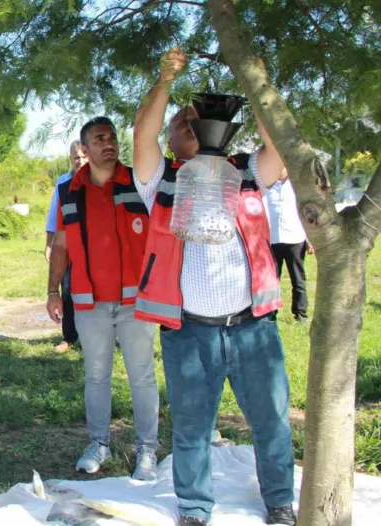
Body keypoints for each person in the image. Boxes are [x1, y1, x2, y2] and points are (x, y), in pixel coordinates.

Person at [132, 48, 294, 526]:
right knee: (192, 428)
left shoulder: (244, 173)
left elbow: (279, 149)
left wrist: (259, 86)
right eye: (182, 120)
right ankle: (195, 508)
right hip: (190, 334)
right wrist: (165, 80)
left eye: (200, 119)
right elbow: (143, 133)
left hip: (252, 331)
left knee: (272, 422)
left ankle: (280, 501)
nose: (191, 125)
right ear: (172, 135)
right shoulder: (160, 182)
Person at [46, 118, 159, 480]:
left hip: (135, 302)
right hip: (89, 302)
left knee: (141, 376)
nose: (108, 144)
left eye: (111, 138)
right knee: (96, 375)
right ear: (85, 149)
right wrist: (52, 291)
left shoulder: (139, 183)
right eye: (99, 139)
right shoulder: (69, 191)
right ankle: (98, 443)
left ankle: (147, 450)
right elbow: (61, 245)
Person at [45, 141, 88, 352]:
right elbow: (54, 215)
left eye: (83, 156)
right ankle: (68, 338)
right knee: (68, 290)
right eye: (75, 157)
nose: (80, 160)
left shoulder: (101, 181)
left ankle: (103, 337)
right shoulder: (63, 182)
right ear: (70, 159)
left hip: (95, 249)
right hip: (67, 246)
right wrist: (49, 245)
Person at [264, 169, 313, 323]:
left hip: (295, 238)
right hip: (273, 239)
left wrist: (309, 239)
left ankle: (300, 314)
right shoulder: (268, 186)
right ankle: (270, 312)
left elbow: (307, 214)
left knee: (298, 278)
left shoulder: (297, 187)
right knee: (271, 280)